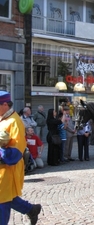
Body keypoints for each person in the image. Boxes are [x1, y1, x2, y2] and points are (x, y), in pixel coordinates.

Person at [0, 91, 41, 225]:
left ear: (5, 104)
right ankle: (31, 210)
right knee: (7, 197)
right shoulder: (3, 118)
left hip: (7, 169)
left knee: (2, 200)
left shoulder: (15, 122)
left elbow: (16, 152)